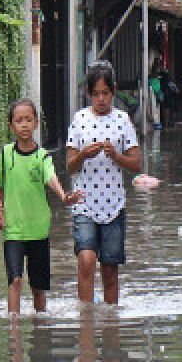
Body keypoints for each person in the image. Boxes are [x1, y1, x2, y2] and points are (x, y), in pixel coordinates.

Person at [0, 99, 84, 315]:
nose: (24, 124)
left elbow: (50, 177)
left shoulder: (42, 156)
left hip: (38, 230)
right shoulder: (6, 154)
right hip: (13, 230)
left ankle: (41, 326)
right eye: (19, 120)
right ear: (11, 126)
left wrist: (63, 195)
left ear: (36, 123)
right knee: (14, 280)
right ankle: (13, 329)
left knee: (38, 287)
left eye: (28, 120)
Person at [66, 62, 141, 305]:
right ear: (88, 93)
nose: (101, 99)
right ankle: (86, 321)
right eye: (96, 94)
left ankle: (110, 326)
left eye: (105, 93)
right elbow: (69, 166)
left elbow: (136, 164)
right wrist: (83, 155)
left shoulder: (122, 120)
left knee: (110, 269)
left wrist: (116, 156)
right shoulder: (79, 120)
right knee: (86, 259)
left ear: (113, 91)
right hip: (84, 202)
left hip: (114, 205)